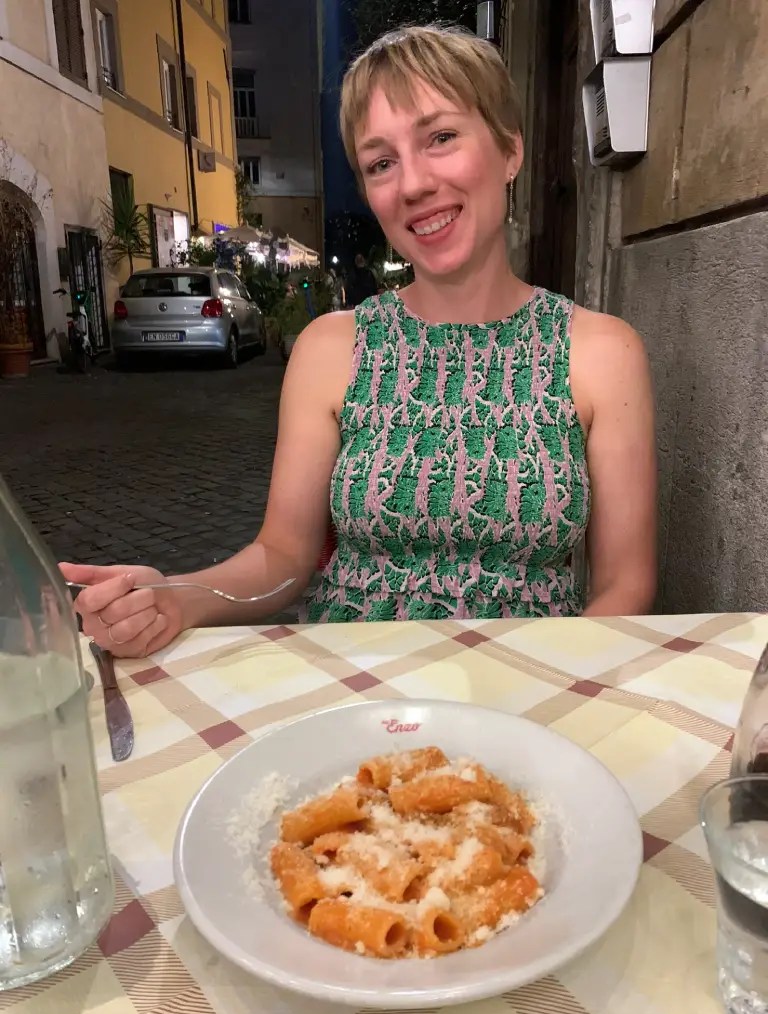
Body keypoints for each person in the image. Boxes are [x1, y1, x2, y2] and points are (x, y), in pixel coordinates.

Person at [62, 24, 656, 656]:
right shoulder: (331, 348)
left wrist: (538, 688)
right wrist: (178, 597)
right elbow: (283, 556)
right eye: (381, 163)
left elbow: (625, 584)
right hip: (353, 681)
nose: (413, 184)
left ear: (511, 150)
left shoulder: (601, 353)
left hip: (529, 680)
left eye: (441, 138)